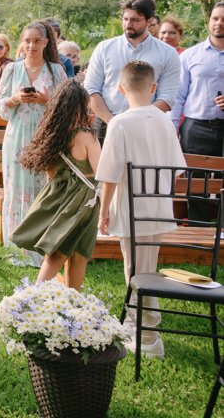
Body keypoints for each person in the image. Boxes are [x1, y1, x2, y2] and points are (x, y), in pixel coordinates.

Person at [96, 60, 186, 359]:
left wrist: (104, 210)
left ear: (121, 88)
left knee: (136, 271)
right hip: (159, 208)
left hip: (131, 208)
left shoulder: (119, 122)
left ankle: (147, 336)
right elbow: (176, 170)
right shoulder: (164, 119)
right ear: (153, 87)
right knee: (145, 268)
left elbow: (109, 174)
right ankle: (143, 330)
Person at [11, 79, 102, 290]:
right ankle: (69, 300)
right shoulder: (86, 137)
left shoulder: (51, 135)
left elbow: (51, 174)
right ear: (81, 106)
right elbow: (101, 172)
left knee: (56, 254)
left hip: (58, 197)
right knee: (78, 255)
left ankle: (36, 298)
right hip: (84, 201)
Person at [0, 20, 67, 266]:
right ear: (21, 43)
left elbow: (66, 108)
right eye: (27, 41)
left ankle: (41, 247)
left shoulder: (57, 71)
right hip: (16, 136)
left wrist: (47, 99)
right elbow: (1, 108)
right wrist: (15, 98)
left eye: (37, 41)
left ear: (46, 42)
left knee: (43, 191)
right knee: (16, 189)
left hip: (45, 136)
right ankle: (16, 249)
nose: (31, 45)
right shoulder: (11, 70)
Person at [84, 0, 181, 145]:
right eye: (125, 19)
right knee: (102, 169)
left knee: (141, 169)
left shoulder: (167, 53)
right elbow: (91, 89)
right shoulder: (104, 48)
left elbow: (167, 97)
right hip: (105, 124)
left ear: (149, 21)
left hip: (147, 126)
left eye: (135, 20)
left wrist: (137, 120)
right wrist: (112, 121)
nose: (128, 24)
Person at [171, 3, 224, 156]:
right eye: (215, 18)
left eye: (223, 19)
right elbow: (177, 96)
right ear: (209, 21)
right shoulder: (190, 55)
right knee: (194, 179)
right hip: (195, 129)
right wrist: (172, 131)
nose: (219, 23)